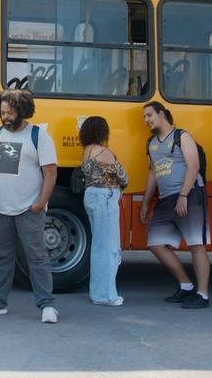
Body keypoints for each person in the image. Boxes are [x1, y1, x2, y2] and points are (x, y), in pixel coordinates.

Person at [0, 89, 59, 324]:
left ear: (22, 110)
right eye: (2, 112)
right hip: (1, 208)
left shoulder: (38, 136)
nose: (6, 117)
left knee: (37, 258)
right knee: (2, 257)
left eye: (10, 112)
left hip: (28, 210)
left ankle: (47, 305)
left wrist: (41, 202)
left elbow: (50, 172)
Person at [140, 101, 211, 309]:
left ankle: (203, 295)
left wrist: (183, 195)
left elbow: (194, 165)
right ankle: (186, 285)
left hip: (190, 195)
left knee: (196, 244)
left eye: (149, 115)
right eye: (145, 117)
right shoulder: (151, 143)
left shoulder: (183, 136)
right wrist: (145, 202)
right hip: (165, 199)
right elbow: (153, 173)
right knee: (156, 244)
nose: (146, 120)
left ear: (162, 114)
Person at [78, 116, 127, 306]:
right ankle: (105, 295)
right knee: (108, 248)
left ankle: (98, 292)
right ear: (102, 131)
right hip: (105, 199)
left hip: (92, 197)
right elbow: (123, 177)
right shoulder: (105, 152)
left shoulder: (87, 151)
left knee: (99, 246)